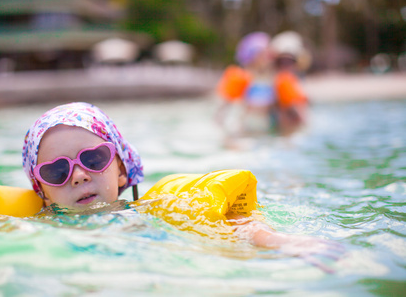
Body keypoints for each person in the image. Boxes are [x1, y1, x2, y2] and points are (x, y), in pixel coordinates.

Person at [22, 102, 343, 271]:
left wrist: (277, 241)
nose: (78, 176)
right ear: (41, 190)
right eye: (57, 170)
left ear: (120, 170)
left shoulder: (151, 210)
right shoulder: (30, 227)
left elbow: (230, 220)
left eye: (93, 159)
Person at [216, 32, 276, 136]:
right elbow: (223, 111)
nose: (268, 57)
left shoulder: (270, 79)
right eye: (263, 53)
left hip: (263, 132)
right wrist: (228, 137)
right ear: (252, 55)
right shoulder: (238, 77)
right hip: (241, 132)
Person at [270, 31, 310, 136]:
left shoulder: (294, 80)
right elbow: (295, 111)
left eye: (289, 61)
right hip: (289, 131)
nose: (286, 65)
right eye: (281, 61)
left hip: (290, 130)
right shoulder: (283, 81)